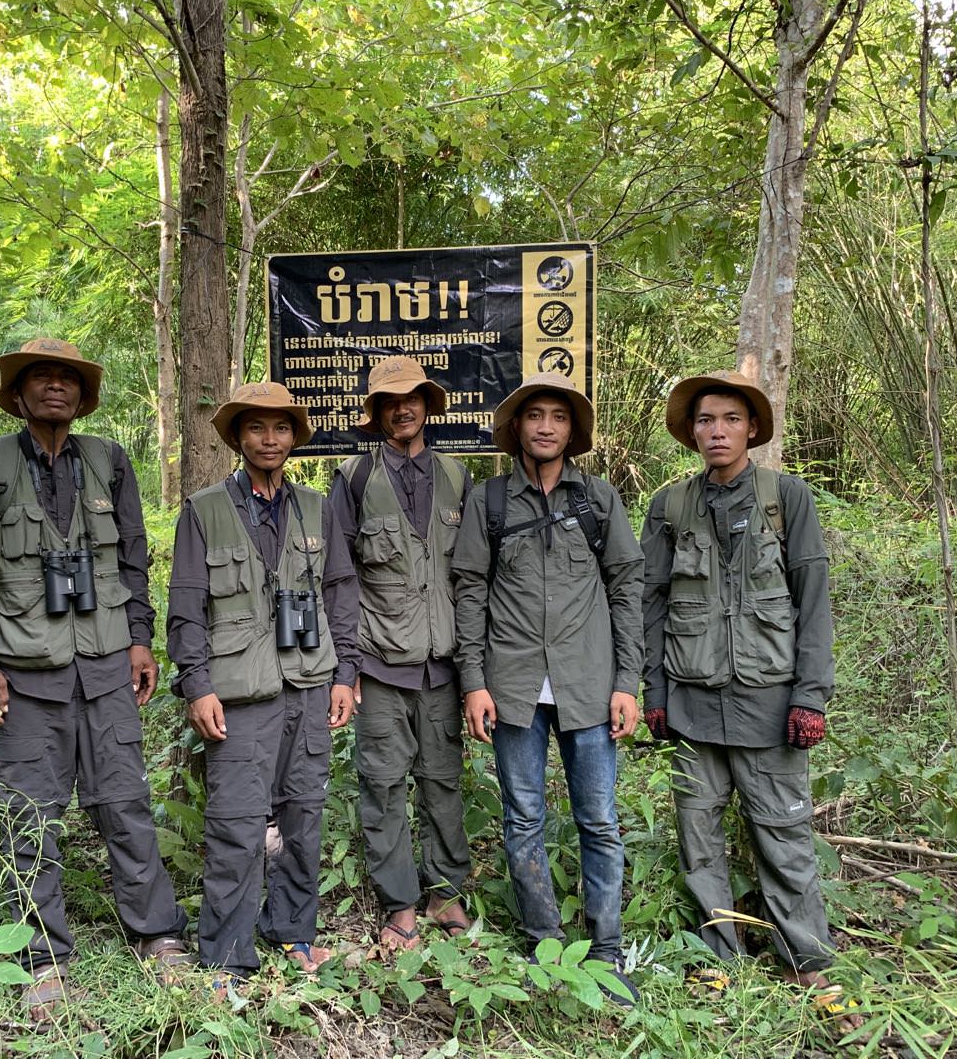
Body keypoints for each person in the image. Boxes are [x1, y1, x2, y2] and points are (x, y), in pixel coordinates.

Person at [0, 337, 191, 1020]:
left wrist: (140, 638)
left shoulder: (108, 461)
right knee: (30, 816)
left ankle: (156, 933)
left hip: (107, 665)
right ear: (18, 396)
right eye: (40, 378)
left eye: (68, 380)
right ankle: (42, 954)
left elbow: (133, 559)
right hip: (22, 674)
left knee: (125, 803)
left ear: (83, 397)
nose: (55, 387)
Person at [639, 370, 854, 1016]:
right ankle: (717, 957)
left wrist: (810, 697)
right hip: (693, 704)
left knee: (784, 837)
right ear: (692, 432)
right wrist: (652, 689)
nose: (717, 431)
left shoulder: (788, 498)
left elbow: (813, 605)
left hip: (770, 702)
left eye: (730, 419)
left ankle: (806, 961)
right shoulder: (669, 506)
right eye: (706, 421)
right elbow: (648, 605)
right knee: (698, 837)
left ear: (752, 428)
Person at [452, 371, 645, 1005]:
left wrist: (627, 682)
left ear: (571, 431)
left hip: (588, 684)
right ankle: (543, 943)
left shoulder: (598, 501)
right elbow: (470, 593)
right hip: (510, 687)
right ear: (517, 428)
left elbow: (625, 590)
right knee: (523, 816)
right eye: (534, 415)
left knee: (599, 818)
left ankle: (608, 950)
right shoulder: (490, 503)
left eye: (557, 418)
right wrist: (474, 683)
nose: (544, 426)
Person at [167, 381, 360, 982]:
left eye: (280, 428)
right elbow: (186, 606)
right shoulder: (204, 510)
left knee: (303, 817)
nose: (269, 439)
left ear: (294, 437)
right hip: (239, 696)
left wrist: (344, 674)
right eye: (256, 428)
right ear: (238, 437)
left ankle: (294, 932)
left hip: (308, 684)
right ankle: (226, 955)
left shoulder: (315, 507)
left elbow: (339, 593)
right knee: (237, 824)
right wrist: (196, 685)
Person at [328, 356, 473, 953]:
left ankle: (445, 892)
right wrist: (345, 667)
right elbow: (339, 577)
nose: (402, 408)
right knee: (383, 785)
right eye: (390, 401)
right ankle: (399, 903)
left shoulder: (459, 477)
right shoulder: (354, 478)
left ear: (427, 406)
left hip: (443, 666)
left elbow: (471, 580)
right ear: (376, 412)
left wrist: (474, 672)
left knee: (443, 781)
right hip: (379, 663)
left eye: (412, 397)